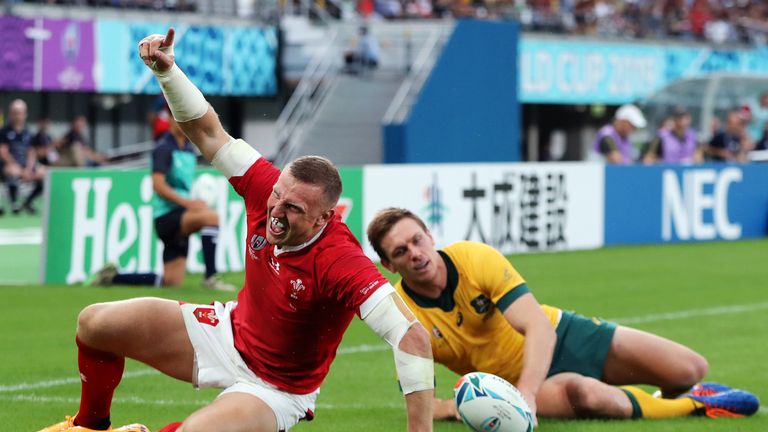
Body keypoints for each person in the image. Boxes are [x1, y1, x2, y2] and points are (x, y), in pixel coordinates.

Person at [38, 28, 434, 432]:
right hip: (227, 330)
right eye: (278, 196)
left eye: (293, 209)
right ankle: (89, 426)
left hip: (276, 388)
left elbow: (412, 337)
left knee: (196, 430)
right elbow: (208, 131)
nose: (276, 211)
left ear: (324, 218)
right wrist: (168, 73)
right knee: (96, 323)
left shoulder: (339, 260)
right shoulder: (265, 186)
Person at [366, 207, 760, 424]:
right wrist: (466, 407)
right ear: (389, 265)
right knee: (587, 395)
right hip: (511, 384)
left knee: (689, 368)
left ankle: (685, 391)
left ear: (430, 235)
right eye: (400, 252)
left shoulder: (473, 258)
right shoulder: (403, 313)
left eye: (417, 240)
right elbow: (421, 396)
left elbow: (537, 325)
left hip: (560, 334)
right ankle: (697, 406)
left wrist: (529, 394)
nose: (415, 253)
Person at [85, 116, 237, 292]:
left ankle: (112, 277)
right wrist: (188, 203)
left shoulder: (188, 150)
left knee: (170, 281)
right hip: (166, 217)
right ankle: (211, 277)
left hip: (180, 216)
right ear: (172, 122)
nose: (187, 124)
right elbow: (157, 184)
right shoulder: (164, 148)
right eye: (182, 120)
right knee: (211, 217)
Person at [0, 99, 45, 215]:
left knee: (44, 173)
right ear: (10, 114)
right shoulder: (4, 131)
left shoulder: (28, 132)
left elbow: (31, 152)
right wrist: (19, 170)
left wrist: (29, 169)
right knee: (12, 171)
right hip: (10, 165)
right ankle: (14, 202)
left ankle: (28, 201)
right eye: (15, 113)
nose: (17, 116)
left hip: (25, 166)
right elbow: (3, 152)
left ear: (25, 114)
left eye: (20, 113)